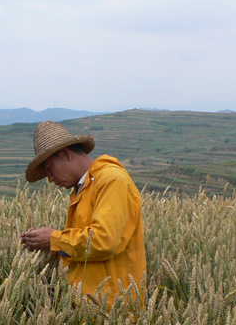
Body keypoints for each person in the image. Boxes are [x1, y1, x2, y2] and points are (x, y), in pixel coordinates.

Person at [20, 121, 145, 305]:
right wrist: (45, 243)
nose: (51, 179)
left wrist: (54, 239)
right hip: (92, 307)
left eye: (49, 169)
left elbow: (104, 241)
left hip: (112, 309)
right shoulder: (85, 187)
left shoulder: (111, 181)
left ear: (65, 154)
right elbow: (84, 248)